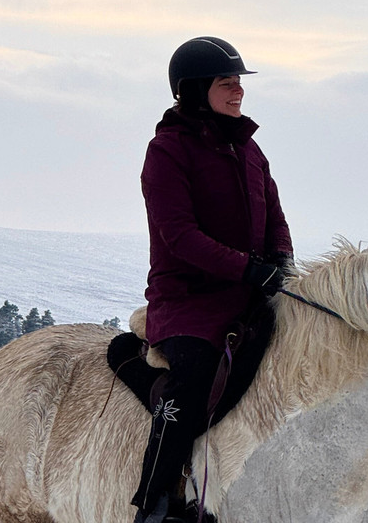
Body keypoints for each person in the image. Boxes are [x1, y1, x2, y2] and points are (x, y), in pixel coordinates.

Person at [131, 36, 294, 523]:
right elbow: (179, 236)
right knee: (196, 375)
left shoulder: (250, 149)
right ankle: (156, 501)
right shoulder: (167, 151)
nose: (238, 90)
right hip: (189, 300)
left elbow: (275, 216)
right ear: (195, 89)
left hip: (249, 293)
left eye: (239, 82)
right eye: (227, 83)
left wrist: (281, 261)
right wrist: (247, 268)